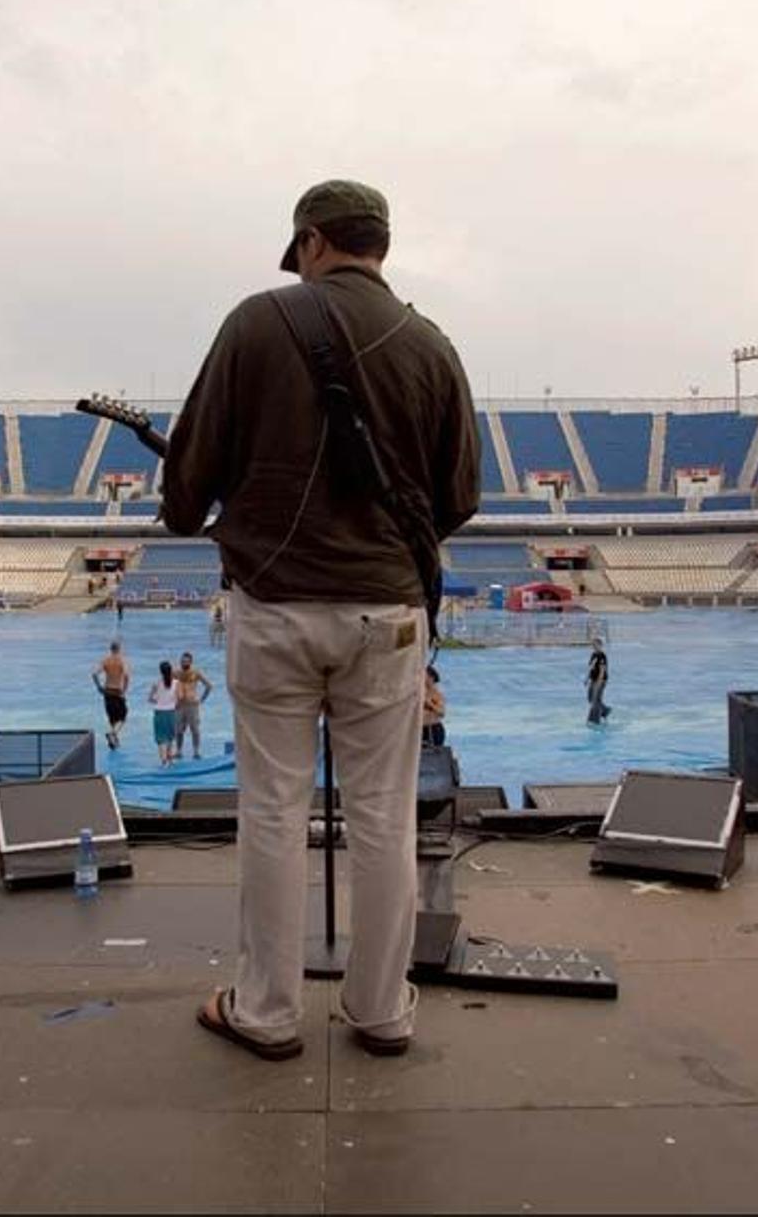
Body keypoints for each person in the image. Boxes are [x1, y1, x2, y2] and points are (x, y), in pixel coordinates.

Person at [162, 178, 480, 1060]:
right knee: (385, 815)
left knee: (272, 810)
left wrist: (210, 511)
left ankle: (265, 1009)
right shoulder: (431, 344)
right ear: (379, 244)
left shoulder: (255, 323)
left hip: (275, 609)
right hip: (389, 615)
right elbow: (459, 496)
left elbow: (188, 483)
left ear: (310, 242)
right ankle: (382, 1009)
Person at [174, 651, 213, 759]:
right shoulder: (176, 673)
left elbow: (209, 686)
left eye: (186, 661)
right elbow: (168, 687)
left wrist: (201, 700)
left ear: (191, 662)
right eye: (182, 661)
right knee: (178, 730)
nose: (184, 663)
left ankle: (196, 751)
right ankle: (179, 751)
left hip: (192, 704)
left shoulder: (196, 673)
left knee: (195, 729)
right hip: (180, 705)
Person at [93, 640, 130, 749]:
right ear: (119, 649)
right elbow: (127, 676)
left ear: (110, 649)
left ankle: (113, 742)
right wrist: (124, 690)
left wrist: (99, 687)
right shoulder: (122, 661)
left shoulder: (105, 661)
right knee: (123, 717)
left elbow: (94, 674)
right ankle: (112, 734)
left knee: (112, 717)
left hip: (107, 691)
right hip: (117, 691)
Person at [148, 660, 179, 765]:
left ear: (160, 672)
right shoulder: (176, 683)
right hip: (171, 713)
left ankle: (163, 760)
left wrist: (158, 700)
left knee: (161, 739)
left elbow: (150, 699)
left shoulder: (156, 683)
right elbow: (178, 698)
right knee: (170, 737)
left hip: (159, 713)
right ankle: (170, 759)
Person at [586, 637, 611, 725]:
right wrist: (587, 678)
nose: (594, 646)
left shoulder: (602, 656)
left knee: (596, 699)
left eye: (596, 645)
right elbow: (591, 667)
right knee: (590, 698)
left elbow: (602, 670)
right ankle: (605, 710)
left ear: (600, 645)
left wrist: (599, 682)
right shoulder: (593, 655)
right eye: (593, 645)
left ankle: (595, 720)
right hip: (593, 679)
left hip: (600, 680)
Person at [422, 665, 446, 747]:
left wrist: (430, 704)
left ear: (431, 677)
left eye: (424, 675)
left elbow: (442, 712)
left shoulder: (437, 694)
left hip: (434, 729)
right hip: (420, 729)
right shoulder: (420, 693)